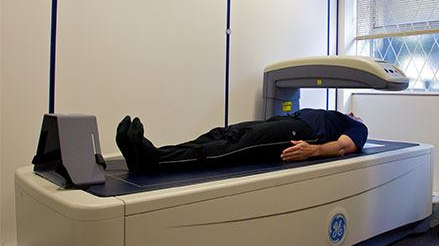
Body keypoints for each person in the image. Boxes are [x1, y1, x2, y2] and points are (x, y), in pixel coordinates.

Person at [116, 108, 368, 173]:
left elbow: (345, 146)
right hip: (281, 122)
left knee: (233, 148)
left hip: (300, 134)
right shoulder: (334, 113)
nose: (353, 113)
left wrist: (313, 151)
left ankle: (154, 161)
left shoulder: (358, 126)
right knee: (220, 134)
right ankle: (149, 153)